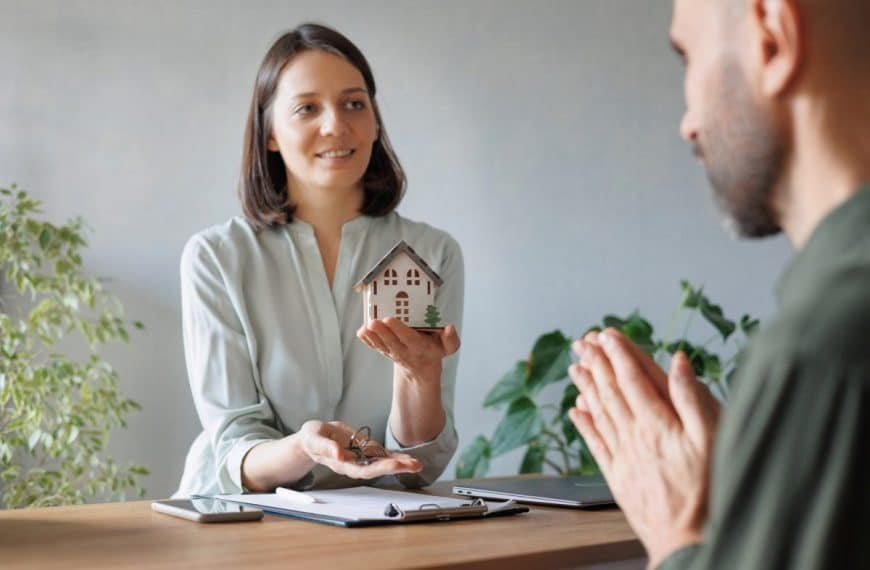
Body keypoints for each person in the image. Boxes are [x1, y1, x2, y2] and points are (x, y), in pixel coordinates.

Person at [568, 0, 869, 567]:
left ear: (772, 40)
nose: (688, 123)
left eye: (689, 57)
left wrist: (683, 532)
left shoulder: (825, 344)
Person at [175, 23, 463, 496]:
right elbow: (233, 448)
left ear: (374, 122)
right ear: (270, 133)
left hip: (377, 523)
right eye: (307, 108)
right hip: (240, 522)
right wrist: (304, 448)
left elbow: (419, 466)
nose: (336, 125)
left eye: (354, 104)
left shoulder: (433, 255)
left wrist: (420, 375)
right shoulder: (216, 258)